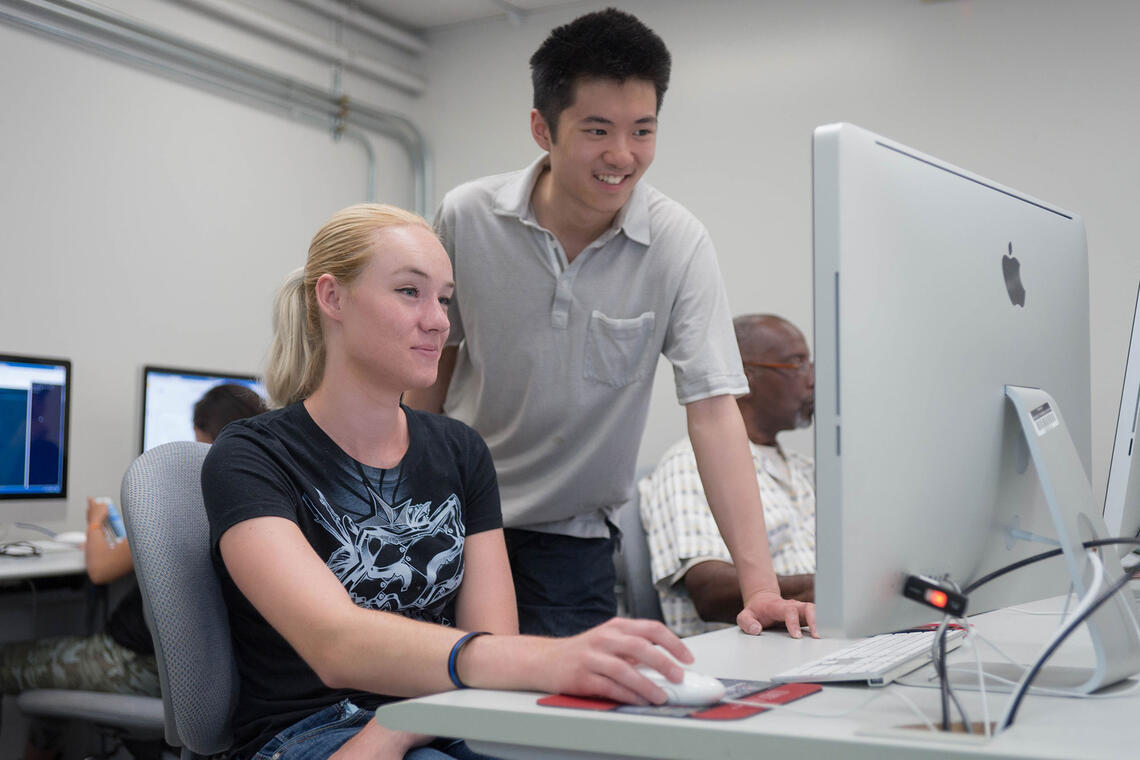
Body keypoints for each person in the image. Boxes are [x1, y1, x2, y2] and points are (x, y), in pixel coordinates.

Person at [200, 203, 695, 760]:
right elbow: (334, 643)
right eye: (410, 292)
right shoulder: (250, 455)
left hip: (444, 714)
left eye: (444, 299)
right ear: (332, 297)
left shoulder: (459, 450)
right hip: (315, 731)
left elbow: (492, 639)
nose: (438, 321)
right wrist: (545, 661)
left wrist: (415, 719)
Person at [405, 8, 816, 639]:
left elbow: (713, 410)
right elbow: (431, 364)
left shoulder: (678, 243)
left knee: (563, 728)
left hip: (572, 542)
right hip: (451, 521)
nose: (622, 156)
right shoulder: (468, 216)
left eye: (642, 131)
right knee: (441, 710)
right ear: (543, 128)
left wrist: (758, 589)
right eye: (598, 130)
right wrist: (401, 501)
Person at [0, 383, 266, 760]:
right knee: (54, 671)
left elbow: (99, 570)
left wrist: (95, 522)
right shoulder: (260, 502)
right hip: (213, 679)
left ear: (211, 440)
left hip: (139, 667)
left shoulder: (190, 498)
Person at [640, 315, 816, 637]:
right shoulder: (689, 464)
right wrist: (831, 590)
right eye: (797, 364)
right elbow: (708, 591)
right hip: (751, 652)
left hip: (819, 639)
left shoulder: (807, 470)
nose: (813, 379)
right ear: (743, 378)